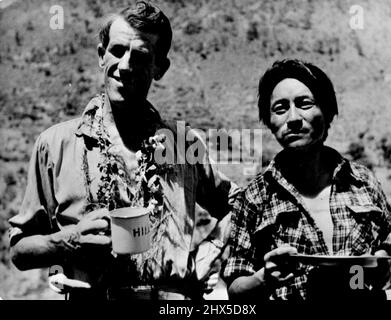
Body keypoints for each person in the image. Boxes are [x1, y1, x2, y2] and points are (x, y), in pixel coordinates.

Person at [8, 1, 237, 300]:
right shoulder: (55, 144)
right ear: (101, 56)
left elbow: (240, 205)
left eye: (141, 57)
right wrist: (68, 241)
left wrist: (210, 252)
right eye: (117, 51)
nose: (125, 65)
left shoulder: (183, 144)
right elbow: (20, 249)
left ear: (160, 68)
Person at [222, 59, 391, 300]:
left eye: (304, 104)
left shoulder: (362, 182)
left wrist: (387, 272)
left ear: (327, 112)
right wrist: (264, 279)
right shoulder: (255, 197)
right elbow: (236, 290)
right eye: (280, 108)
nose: (293, 118)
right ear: (270, 123)